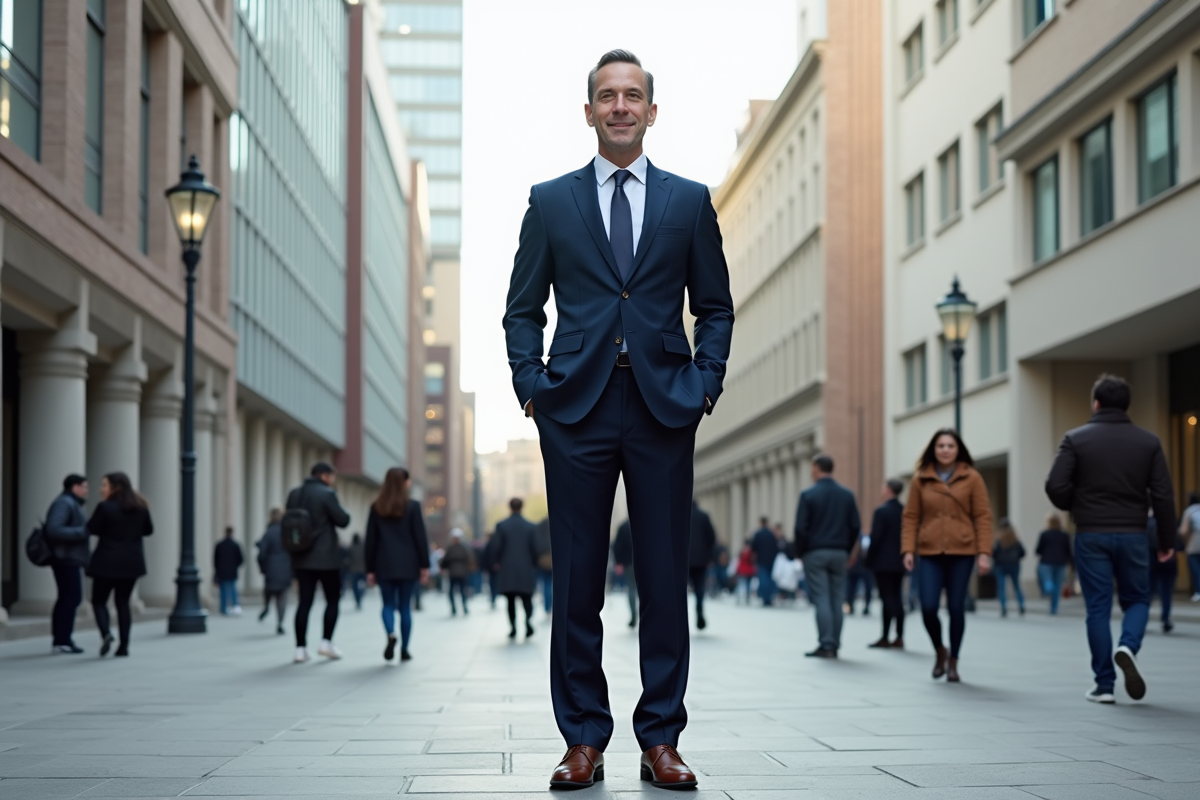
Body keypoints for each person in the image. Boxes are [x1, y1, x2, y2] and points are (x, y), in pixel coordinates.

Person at [503, 49, 734, 790]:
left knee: (664, 577)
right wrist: (532, 386)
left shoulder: (690, 200)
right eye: (608, 95)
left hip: (665, 403)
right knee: (577, 580)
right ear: (590, 111)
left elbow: (716, 306)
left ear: (652, 111)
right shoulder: (551, 200)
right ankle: (583, 739)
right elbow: (521, 309)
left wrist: (705, 382)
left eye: (633, 95)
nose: (621, 106)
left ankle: (660, 737)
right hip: (576, 407)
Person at [1046, 374, 1176, 704]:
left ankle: (1104, 685)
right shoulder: (1148, 442)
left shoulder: (1075, 439)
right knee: (1137, 600)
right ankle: (1127, 646)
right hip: (1134, 533)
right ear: (1126, 405)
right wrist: (1166, 540)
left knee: (1098, 608)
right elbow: (1162, 495)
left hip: (1091, 534)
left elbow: (1055, 485)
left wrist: (1078, 505)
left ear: (1096, 403)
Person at [902, 429, 993, 683]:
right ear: (933, 449)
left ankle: (954, 661)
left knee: (956, 607)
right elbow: (910, 517)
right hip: (930, 551)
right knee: (928, 607)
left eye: (950, 446)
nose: (945, 450)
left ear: (957, 449)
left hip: (962, 551)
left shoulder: (972, 477)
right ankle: (940, 651)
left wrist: (983, 553)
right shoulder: (921, 479)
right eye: (940, 445)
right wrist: (908, 549)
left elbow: (982, 517)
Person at [794, 454, 861, 659]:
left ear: (816, 468)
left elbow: (800, 528)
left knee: (821, 598)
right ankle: (835, 643)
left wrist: (800, 552)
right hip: (840, 552)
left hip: (815, 552)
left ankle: (826, 644)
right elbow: (855, 526)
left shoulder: (808, 494)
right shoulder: (847, 494)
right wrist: (847, 550)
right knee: (837, 598)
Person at [286, 462, 351, 663]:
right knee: (332, 599)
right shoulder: (327, 494)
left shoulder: (294, 494)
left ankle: (300, 649)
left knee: (304, 602)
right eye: (333, 476)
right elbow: (343, 520)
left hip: (301, 556)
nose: (334, 479)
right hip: (326, 558)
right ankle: (326, 642)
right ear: (325, 476)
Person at [365, 467, 430, 662]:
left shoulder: (376, 507)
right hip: (408, 565)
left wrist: (369, 569)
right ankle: (405, 649)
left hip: (383, 564)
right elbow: (420, 538)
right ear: (405, 483)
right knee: (404, 607)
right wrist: (424, 565)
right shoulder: (413, 507)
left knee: (387, 604)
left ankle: (391, 633)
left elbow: (371, 540)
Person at [86, 472, 153, 657]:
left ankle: (106, 633)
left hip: (107, 561)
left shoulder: (105, 507)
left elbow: (91, 528)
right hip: (131, 562)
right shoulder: (140, 507)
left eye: (104, 485)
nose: (101, 489)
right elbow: (148, 530)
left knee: (99, 601)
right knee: (123, 603)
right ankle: (124, 646)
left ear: (115, 487)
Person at [45, 474, 90, 654]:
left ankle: (61, 639)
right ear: (75, 487)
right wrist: (84, 531)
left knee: (68, 597)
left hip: (68, 558)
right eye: (84, 487)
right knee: (71, 597)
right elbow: (54, 529)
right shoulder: (64, 503)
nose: (86, 491)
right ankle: (62, 640)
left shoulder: (69, 503)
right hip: (65, 558)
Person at [865, 479, 906, 649]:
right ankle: (898, 636)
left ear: (889, 489)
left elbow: (876, 538)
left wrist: (868, 559)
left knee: (887, 598)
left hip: (882, 562)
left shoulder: (882, 511)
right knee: (896, 596)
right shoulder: (904, 510)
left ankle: (886, 636)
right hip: (900, 561)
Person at [493, 498, 540, 640]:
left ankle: (513, 627)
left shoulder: (502, 526)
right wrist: (533, 563)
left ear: (509, 507)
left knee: (510, 600)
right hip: (526, 568)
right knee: (527, 599)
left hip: (508, 569)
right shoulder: (531, 526)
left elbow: (497, 546)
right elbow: (535, 548)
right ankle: (528, 622)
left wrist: (496, 562)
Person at [256, 509, 292, 634]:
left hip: (271, 570)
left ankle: (266, 607)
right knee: (282, 598)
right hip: (286, 570)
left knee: (269, 593)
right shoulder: (287, 532)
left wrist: (263, 568)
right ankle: (280, 623)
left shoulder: (269, 533)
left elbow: (261, 554)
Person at [1147, 513, 1183, 634]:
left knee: (1148, 592)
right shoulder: (1171, 521)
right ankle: (1165, 618)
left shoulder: (1148, 522)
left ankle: (1142, 618)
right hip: (1169, 560)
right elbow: (1179, 543)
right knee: (1166, 591)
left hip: (1152, 560)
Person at [1035, 513, 1072, 615]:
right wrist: (1071, 563)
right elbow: (1068, 550)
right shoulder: (1064, 535)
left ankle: (1048, 587)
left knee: (1047, 580)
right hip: (1060, 562)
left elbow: (1038, 549)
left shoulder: (1044, 534)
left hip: (1046, 561)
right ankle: (1054, 608)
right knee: (1058, 585)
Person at [689, 500, 716, 629]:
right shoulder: (704, 516)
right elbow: (711, 537)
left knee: (679, 590)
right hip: (701, 560)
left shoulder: (681, 515)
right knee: (699, 588)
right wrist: (709, 556)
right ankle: (699, 611)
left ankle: (680, 617)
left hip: (683, 560)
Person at [992, 519, 1026, 617]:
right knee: (1017, 586)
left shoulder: (998, 539)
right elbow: (1023, 553)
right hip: (1014, 565)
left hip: (1001, 566)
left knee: (1002, 588)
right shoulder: (1015, 539)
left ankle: (1003, 608)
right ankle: (1021, 605)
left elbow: (994, 553)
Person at [441, 528, 474, 616]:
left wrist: (443, 566)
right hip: (461, 573)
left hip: (455, 573)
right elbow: (469, 559)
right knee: (462, 590)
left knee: (455, 591)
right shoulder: (463, 548)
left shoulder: (451, 548)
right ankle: (462, 606)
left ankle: (456, 607)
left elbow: (445, 561)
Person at [214, 526, 244, 616]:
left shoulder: (219, 545)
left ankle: (224, 608)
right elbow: (241, 559)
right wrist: (235, 566)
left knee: (223, 590)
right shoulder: (235, 545)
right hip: (232, 571)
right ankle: (235, 607)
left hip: (222, 571)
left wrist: (217, 569)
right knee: (233, 590)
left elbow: (215, 560)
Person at [612, 519, 637, 627]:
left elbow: (617, 546)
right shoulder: (645, 524)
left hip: (628, 563)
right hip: (644, 562)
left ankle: (634, 616)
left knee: (631, 589)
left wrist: (619, 562)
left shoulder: (623, 527)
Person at [750, 517, 779, 606]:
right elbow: (776, 547)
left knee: (763, 579)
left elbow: (753, 547)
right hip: (771, 560)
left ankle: (765, 597)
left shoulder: (758, 534)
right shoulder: (771, 534)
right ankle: (769, 597)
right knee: (769, 579)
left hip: (761, 560)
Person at [844, 534, 874, 616]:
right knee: (851, 587)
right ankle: (850, 605)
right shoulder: (856, 533)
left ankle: (867, 606)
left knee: (867, 587)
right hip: (855, 565)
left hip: (866, 565)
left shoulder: (869, 534)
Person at [1180, 491, 1200, 601]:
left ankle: (1198, 591)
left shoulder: (1189, 511)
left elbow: (1183, 531)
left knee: (1196, 569)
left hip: (1195, 542)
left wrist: (1186, 543)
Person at [535, 517, 553, 616]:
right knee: (555, 584)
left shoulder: (540, 525)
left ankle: (547, 607)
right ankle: (554, 606)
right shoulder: (559, 521)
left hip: (543, 558)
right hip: (557, 557)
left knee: (546, 583)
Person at [346, 533, 367, 610]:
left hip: (353, 570)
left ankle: (358, 599)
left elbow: (348, 559)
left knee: (355, 587)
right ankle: (361, 594)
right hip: (363, 569)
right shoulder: (363, 547)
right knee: (363, 585)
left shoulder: (350, 548)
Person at [734, 538, 756, 604]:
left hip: (742, 569)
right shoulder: (751, 551)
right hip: (748, 570)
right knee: (747, 585)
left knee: (740, 584)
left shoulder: (742, 551)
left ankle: (738, 597)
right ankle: (747, 597)